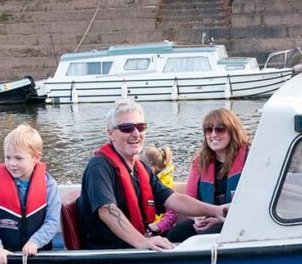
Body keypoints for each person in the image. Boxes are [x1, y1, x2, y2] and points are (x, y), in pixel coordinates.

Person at [76, 99, 227, 250]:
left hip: (134, 247)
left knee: (181, 235)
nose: (135, 134)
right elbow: (106, 210)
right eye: (126, 128)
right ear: (110, 133)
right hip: (112, 254)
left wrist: (215, 210)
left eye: (140, 127)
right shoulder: (98, 167)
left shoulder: (140, 167)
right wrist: (142, 241)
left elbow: (172, 199)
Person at [0, 123, 61, 264]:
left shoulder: (49, 185)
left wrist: (35, 242)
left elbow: (52, 222)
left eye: (18, 158)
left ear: (36, 157)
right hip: (5, 254)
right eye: (8, 157)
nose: (12, 163)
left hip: (39, 254)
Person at [166, 108, 251, 243]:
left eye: (220, 129)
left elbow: (254, 200)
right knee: (176, 234)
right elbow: (190, 198)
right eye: (208, 130)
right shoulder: (199, 162)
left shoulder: (250, 157)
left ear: (232, 131)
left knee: (204, 238)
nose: (213, 134)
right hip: (208, 218)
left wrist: (218, 219)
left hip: (242, 220)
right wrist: (196, 218)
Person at [141, 145, 178, 236]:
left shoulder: (165, 186)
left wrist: (158, 227)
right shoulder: (142, 182)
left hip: (160, 230)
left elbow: (172, 213)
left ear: (151, 169)